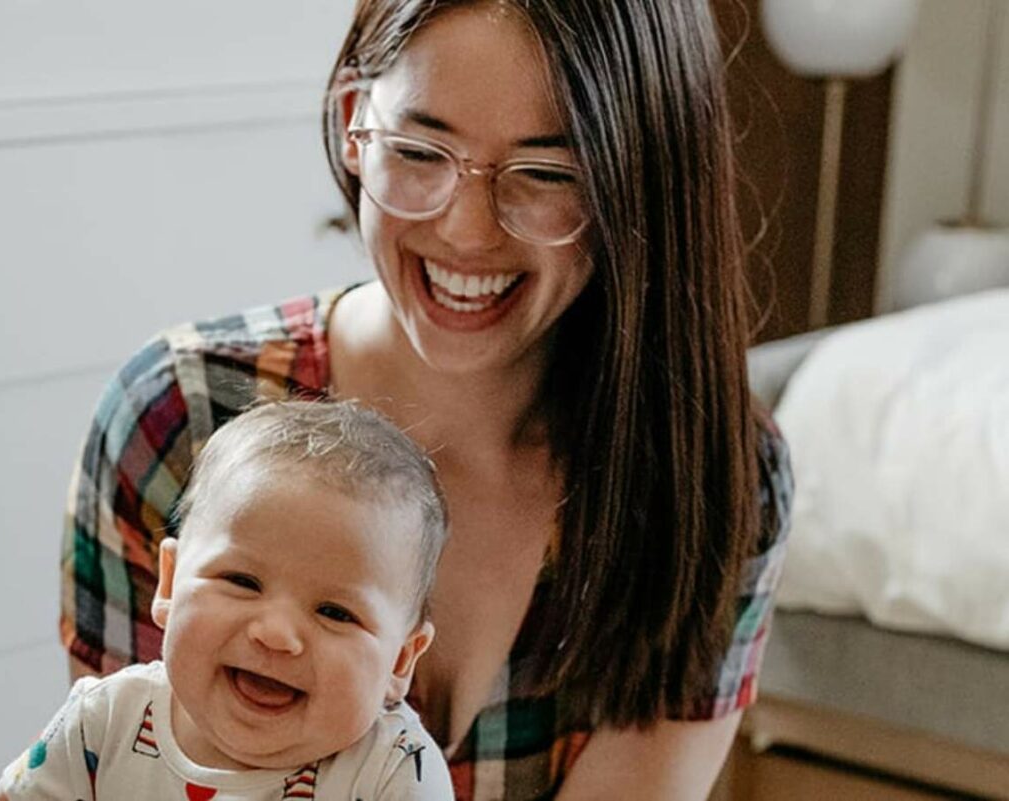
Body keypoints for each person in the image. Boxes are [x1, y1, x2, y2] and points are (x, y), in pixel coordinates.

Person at [61, 1, 793, 798]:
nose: (467, 231)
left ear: (638, 181)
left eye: (547, 173)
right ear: (353, 124)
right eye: (419, 150)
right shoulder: (180, 418)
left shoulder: (709, 479)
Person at [0, 401, 453, 799]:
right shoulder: (103, 721)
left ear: (400, 660)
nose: (276, 634)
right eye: (242, 581)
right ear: (171, 584)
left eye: (334, 612)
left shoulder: (393, 774)